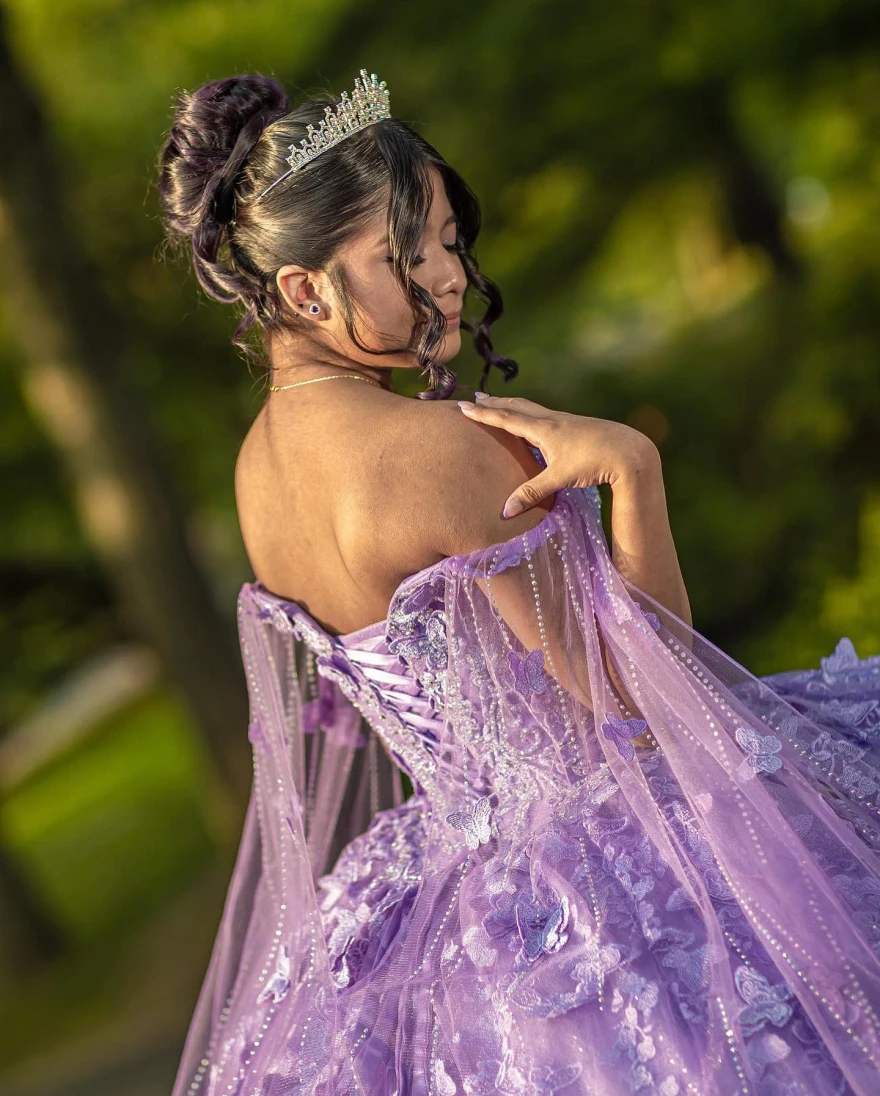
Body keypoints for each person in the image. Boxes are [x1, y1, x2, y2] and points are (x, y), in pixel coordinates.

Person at [157, 70, 880, 1096]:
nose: (449, 274)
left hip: (449, 911)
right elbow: (644, 701)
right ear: (305, 289)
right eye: (405, 252)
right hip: (611, 873)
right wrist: (632, 468)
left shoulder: (256, 473)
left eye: (448, 240)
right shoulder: (435, 452)